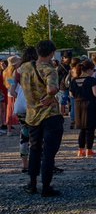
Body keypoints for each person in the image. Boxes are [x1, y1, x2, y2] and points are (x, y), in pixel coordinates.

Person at [19, 40, 64, 197]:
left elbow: (15, 74)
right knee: (49, 153)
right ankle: (46, 187)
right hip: (49, 115)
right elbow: (51, 88)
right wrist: (50, 96)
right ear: (51, 53)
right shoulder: (49, 70)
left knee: (34, 150)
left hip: (32, 116)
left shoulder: (25, 67)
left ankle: (32, 184)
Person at [69, 60, 96, 158]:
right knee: (90, 129)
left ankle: (80, 150)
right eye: (93, 69)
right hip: (89, 105)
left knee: (82, 129)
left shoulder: (74, 80)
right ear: (88, 69)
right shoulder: (91, 80)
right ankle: (89, 150)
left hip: (77, 105)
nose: (93, 71)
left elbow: (71, 94)